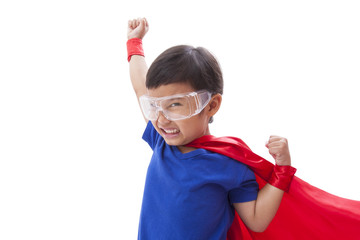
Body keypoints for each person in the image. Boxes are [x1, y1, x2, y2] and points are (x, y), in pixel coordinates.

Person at [127, 18, 296, 240]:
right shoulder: (161, 143)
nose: (161, 119)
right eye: (155, 106)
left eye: (175, 104)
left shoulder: (229, 164)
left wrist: (282, 169)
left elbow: (256, 220)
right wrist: (134, 42)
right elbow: (141, 85)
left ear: (211, 105)